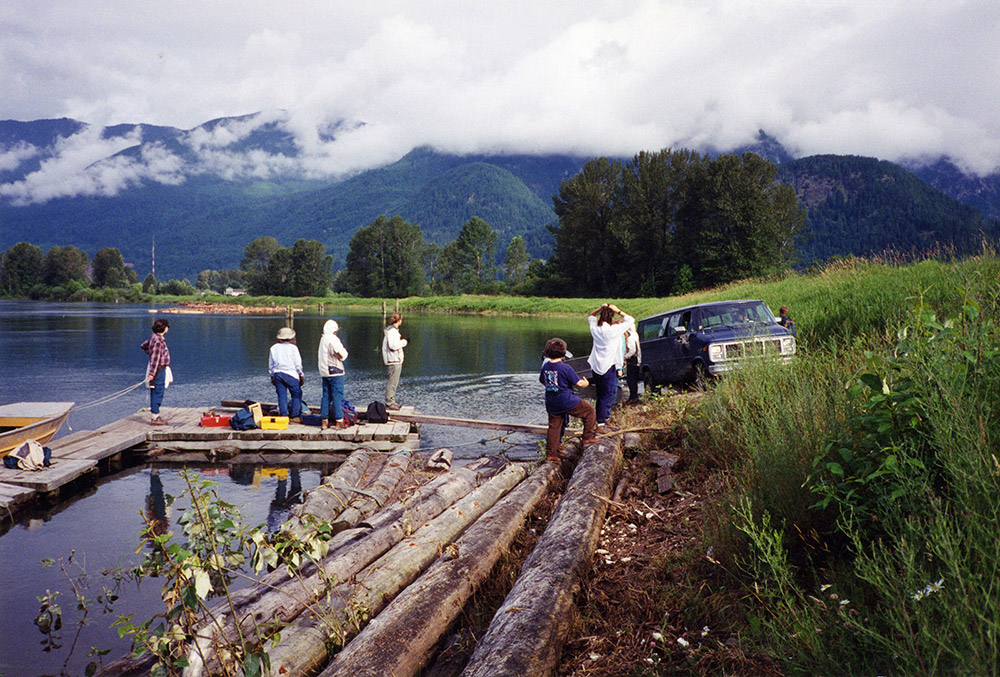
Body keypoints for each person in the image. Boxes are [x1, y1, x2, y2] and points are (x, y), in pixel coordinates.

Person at [539, 338, 597, 462]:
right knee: (589, 411)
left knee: (554, 427)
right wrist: (586, 383)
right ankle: (587, 438)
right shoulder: (565, 367)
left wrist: (553, 387)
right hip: (566, 400)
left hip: (551, 402)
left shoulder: (546, 366)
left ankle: (551, 454)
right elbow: (579, 384)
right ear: (564, 353)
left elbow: (542, 381)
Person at [587, 303, 634, 431]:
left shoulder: (595, 329)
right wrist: (618, 310)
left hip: (596, 366)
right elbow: (631, 320)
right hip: (609, 366)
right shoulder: (614, 330)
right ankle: (602, 423)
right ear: (611, 318)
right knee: (607, 395)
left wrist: (600, 308)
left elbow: (591, 316)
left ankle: (602, 420)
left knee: (600, 394)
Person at [317, 319, 349, 429]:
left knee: (326, 396)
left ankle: (324, 420)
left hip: (324, 372)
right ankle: (339, 421)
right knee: (337, 395)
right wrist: (343, 355)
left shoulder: (323, 339)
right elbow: (342, 354)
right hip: (335, 371)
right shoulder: (333, 339)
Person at [140, 318, 172, 425]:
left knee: (156, 391)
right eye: (167, 326)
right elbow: (155, 359)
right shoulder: (158, 341)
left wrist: (150, 351)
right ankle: (155, 417)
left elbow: (143, 345)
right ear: (164, 328)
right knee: (158, 391)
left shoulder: (153, 337)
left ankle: (155, 415)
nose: (168, 328)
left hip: (157, 369)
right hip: (158, 370)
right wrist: (152, 374)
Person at [269, 326, 304, 421]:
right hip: (291, 374)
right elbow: (298, 364)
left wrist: (272, 376)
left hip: (277, 374)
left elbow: (271, 364)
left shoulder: (273, 348)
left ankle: (284, 415)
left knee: (281, 395)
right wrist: (301, 375)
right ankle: (294, 415)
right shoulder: (293, 348)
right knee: (296, 394)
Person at [382, 312, 408, 411]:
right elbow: (393, 346)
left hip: (394, 359)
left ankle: (391, 401)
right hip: (394, 360)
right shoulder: (393, 332)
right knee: (392, 382)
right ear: (400, 320)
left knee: (393, 382)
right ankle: (389, 403)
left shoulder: (392, 331)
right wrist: (404, 342)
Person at [623, 325, 642, 404]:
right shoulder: (635, 335)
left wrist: (625, 357)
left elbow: (632, 350)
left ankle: (634, 397)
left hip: (633, 360)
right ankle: (633, 396)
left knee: (631, 380)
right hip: (636, 360)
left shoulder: (630, 338)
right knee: (632, 379)